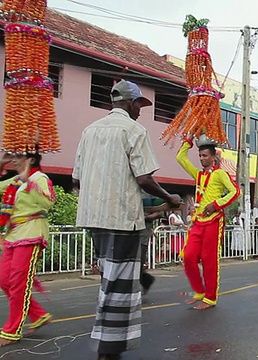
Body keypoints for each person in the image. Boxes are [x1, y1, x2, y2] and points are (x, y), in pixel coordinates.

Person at [73, 79, 182, 360]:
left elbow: (77, 180)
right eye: (139, 106)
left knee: (108, 281)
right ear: (131, 103)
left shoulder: (89, 130)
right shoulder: (134, 130)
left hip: (94, 219)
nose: (140, 111)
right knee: (120, 287)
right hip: (121, 220)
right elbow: (144, 177)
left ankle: (108, 345)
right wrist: (169, 198)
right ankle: (109, 349)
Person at [176, 135, 240, 310]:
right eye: (200, 156)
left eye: (205, 155)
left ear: (213, 156)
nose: (202, 159)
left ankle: (210, 298)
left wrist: (215, 204)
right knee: (189, 257)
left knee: (209, 260)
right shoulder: (198, 174)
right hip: (198, 222)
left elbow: (235, 191)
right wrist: (189, 140)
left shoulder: (220, 174)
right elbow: (180, 158)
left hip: (213, 221)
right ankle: (199, 291)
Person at [0, 153, 54, 347]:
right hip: (13, 235)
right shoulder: (15, 180)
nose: (13, 159)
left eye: (17, 156)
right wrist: (1, 164)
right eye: (11, 156)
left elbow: (48, 202)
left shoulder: (39, 178)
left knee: (18, 283)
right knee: (4, 279)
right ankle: (38, 315)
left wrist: (29, 183)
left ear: (30, 159)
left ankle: (12, 330)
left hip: (31, 233)